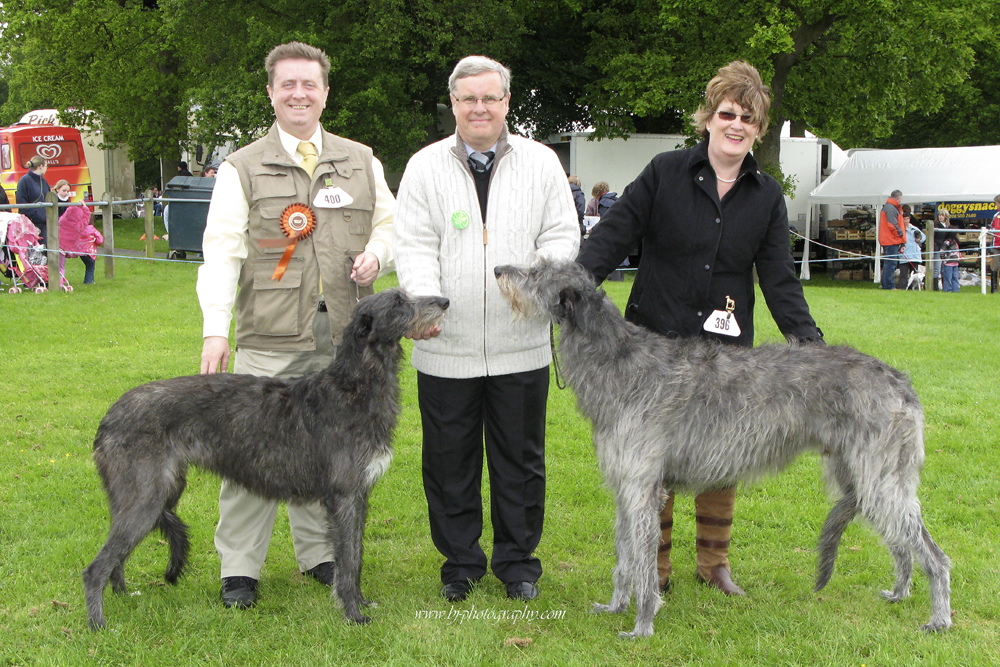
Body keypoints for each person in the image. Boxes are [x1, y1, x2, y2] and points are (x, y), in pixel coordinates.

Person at [576, 60, 824, 598]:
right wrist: (574, 283)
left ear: (758, 129)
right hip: (652, 347)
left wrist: (813, 349)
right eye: (727, 113)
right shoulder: (665, 171)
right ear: (708, 118)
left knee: (722, 456)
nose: (736, 124)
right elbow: (614, 235)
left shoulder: (766, 196)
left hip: (723, 352)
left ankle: (714, 564)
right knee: (650, 458)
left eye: (748, 118)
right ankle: (654, 571)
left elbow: (780, 280)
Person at [196, 41, 395, 610]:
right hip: (270, 334)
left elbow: (393, 224)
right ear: (271, 92)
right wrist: (216, 328)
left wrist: (379, 255)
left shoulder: (361, 160)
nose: (299, 94)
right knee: (251, 455)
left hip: (347, 341)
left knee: (332, 451)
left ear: (325, 92)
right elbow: (222, 250)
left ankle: (319, 555)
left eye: (309, 84)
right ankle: (239, 568)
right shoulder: (242, 167)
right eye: (288, 84)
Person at [394, 55, 579, 603]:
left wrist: (535, 283)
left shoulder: (542, 162)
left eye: (490, 98)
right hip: (445, 346)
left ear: (506, 103)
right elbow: (413, 243)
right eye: (468, 98)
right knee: (448, 459)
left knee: (520, 462)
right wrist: (426, 307)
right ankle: (460, 562)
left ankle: (518, 563)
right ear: (453, 104)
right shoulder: (425, 166)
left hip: (520, 344)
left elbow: (562, 235)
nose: (479, 107)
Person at [57, 202, 103, 285]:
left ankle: (59, 281)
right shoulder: (92, 230)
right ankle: (89, 281)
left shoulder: (78, 228)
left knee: (62, 266)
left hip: (80, 252)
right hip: (90, 253)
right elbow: (100, 240)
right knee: (90, 267)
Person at [16, 156, 51, 244]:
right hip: (30, 223)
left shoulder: (43, 181)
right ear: (40, 166)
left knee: (46, 250)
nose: (47, 169)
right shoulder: (24, 181)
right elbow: (21, 202)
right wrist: (34, 214)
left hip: (44, 223)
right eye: (46, 166)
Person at [878, 189, 906, 290]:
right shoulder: (891, 208)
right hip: (891, 239)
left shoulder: (889, 207)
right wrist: (900, 234)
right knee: (891, 263)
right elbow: (892, 225)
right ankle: (889, 285)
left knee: (888, 263)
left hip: (890, 239)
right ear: (899, 197)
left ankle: (886, 284)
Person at [897, 205, 925, 289]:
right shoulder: (899, 230)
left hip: (914, 255)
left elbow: (924, 237)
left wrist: (919, 239)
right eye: (904, 219)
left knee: (915, 275)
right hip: (904, 255)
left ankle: (915, 288)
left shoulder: (915, 229)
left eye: (907, 219)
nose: (906, 221)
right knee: (903, 275)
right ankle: (902, 288)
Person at [932, 208, 950, 291]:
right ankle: (935, 287)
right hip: (938, 249)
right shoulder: (936, 225)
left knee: (944, 269)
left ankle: (945, 287)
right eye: (939, 215)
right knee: (937, 268)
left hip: (945, 249)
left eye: (942, 215)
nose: (940, 217)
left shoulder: (948, 226)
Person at [988, 195, 1000, 293]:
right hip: (997, 244)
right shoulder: (996, 215)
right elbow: (991, 228)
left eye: (996, 202)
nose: (995, 204)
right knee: (995, 266)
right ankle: (994, 289)